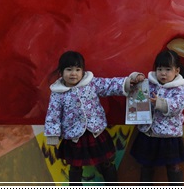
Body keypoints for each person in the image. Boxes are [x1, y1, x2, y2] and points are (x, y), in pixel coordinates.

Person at [44, 50, 144, 186]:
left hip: (95, 133)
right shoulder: (58, 93)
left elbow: (109, 85)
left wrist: (128, 82)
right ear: (61, 73)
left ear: (83, 72)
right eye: (69, 70)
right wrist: (52, 135)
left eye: (78, 69)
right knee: (75, 166)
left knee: (106, 161)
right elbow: (53, 114)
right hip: (74, 136)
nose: (73, 73)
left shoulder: (91, 84)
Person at [130, 49, 184, 185]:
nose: (163, 73)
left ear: (177, 71)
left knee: (173, 166)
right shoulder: (149, 83)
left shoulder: (179, 88)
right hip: (149, 134)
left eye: (168, 69)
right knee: (146, 165)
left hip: (169, 136)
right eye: (159, 68)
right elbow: (136, 85)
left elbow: (179, 104)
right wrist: (136, 77)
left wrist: (160, 103)